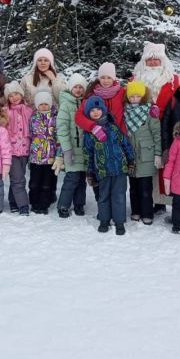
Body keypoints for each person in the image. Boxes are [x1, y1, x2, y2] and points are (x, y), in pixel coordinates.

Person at [132, 42, 179, 214]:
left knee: (163, 165)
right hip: (141, 131)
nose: (152, 63)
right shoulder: (135, 79)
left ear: (163, 61)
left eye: (156, 60)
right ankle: (147, 202)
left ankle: (162, 200)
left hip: (166, 129)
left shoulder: (173, 80)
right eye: (149, 60)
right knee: (145, 166)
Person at [83, 97, 135, 236]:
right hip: (102, 170)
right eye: (92, 110)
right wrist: (90, 172)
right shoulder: (89, 133)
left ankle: (119, 222)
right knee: (103, 196)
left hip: (119, 169)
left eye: (98, 109)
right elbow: (88, 153)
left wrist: (130, 159)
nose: (95, 112)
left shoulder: (113, 127)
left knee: (119, 196)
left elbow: (125, 143)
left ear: (103, 111)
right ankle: (104, 220)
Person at [124, 81, 162, 225]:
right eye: (131, 96)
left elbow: (156, 134)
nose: (134, 99)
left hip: (147, 155)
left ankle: (147, 213)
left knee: (146, 188)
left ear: (142, 97)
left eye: (137, 96)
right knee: (133, 187)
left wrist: (158, 154)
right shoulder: (125, 112)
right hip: (131, 156)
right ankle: (136, 211)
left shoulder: (150, 111)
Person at [56, 73, 88, 218]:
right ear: (71, 88)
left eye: (81, 87)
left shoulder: (86, 103)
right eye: (75, 86)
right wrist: (66, 149)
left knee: (82, 179)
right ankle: (63, 204)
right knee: (71, 178)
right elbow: (61, 129)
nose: (78, 89)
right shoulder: (66, 104)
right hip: (72, 149)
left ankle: (79, 204)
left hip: (85, 149)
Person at [75, 62, 128, 140]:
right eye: (103, 77)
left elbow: (135, 98)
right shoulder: (92, 94)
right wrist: (92, 127)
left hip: (119, 136)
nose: (106, 81)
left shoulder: (121, 92)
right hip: (99, 138)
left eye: (109, 77)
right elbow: (78, 116)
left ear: (113, 78)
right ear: (99, 78)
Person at [3, 81, 33, 216]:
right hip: (11, 152)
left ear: (21, 94)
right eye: (10, 96)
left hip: (25, 151)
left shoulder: (28, 111)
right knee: (18, 179)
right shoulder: (5, 112)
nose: (14, 97)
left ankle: (13, 201)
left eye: (16, 94)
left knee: (17, 177)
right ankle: (23, 205)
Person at [28, 91, 58, 215]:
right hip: (36, 156)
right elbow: (30, 134)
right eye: (41, 104)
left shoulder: (55, 117)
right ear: (37, 105)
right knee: (34, 182)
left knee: (47, 183)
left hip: (50, 157)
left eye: (46, 104)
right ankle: (34, 202)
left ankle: (44, 204)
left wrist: (58, 153)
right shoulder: (33, 117)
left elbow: (58, 136)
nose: (44, 106)